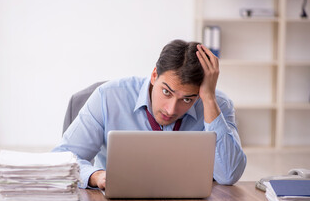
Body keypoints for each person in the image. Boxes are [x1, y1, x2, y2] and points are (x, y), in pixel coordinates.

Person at [53, 40, 247, 190]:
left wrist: (209, 100)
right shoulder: (108, 97)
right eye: (166, 92)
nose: (171, 109)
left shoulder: (216, 103)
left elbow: (229, 174)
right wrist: (96, 176)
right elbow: (63, 158)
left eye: (187, 99)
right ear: (154, 75)